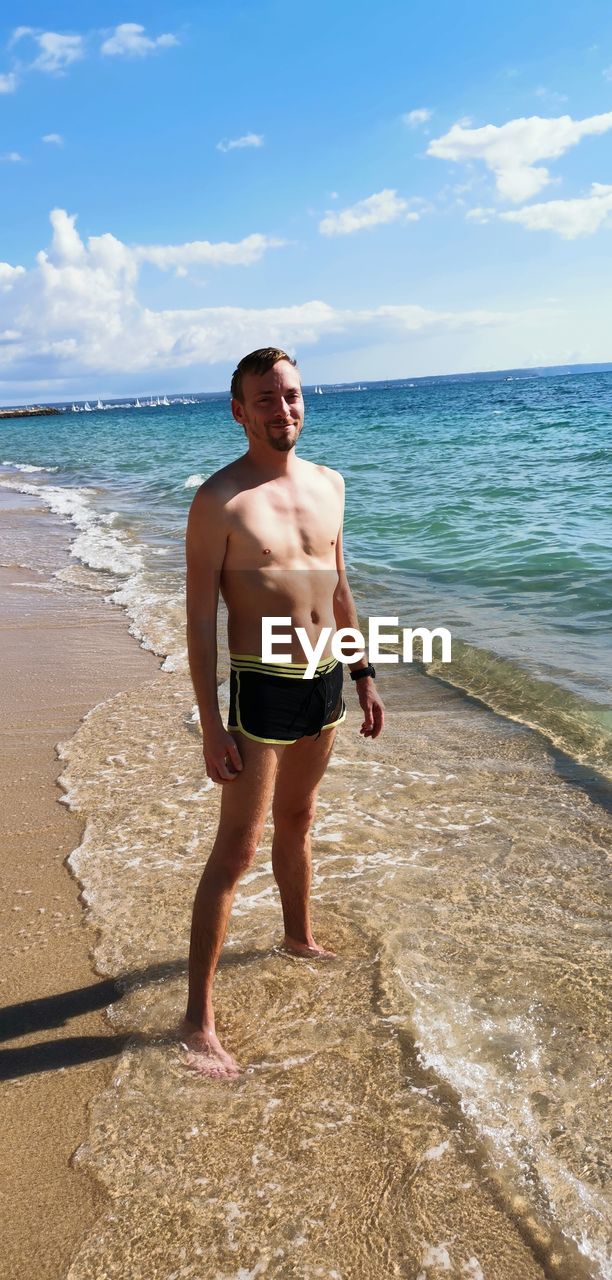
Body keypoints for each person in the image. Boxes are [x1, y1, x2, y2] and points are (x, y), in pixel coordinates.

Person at [179, 347, 384, 1077]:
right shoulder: (220, 502)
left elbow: (337, 586)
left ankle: (298, 937)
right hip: (262, 685)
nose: (282, 409)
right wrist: (210, 722)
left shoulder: (330, 485)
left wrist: (362, 671)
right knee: (235, 849)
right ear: (238, 410)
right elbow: (200, 621)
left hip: (325, 679)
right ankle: (197, 1019)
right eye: (265, 399)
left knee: (299, 821)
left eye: (291, 395)